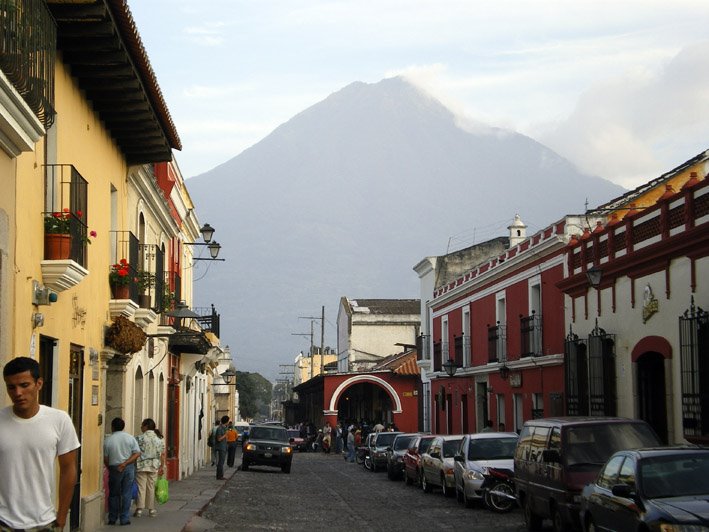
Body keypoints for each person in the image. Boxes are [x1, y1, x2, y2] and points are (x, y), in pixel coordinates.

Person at [0, 356, 80, 531]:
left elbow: (68, 469)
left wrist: (61, 518)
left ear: (39, 384)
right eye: (11, 387)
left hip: (44, 522)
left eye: (24, 385)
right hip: (3, 522)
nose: (18, 393)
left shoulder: (59, 420)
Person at [104, 417, 141, 526]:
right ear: (123, 426)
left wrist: (111, 467)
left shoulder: (108, 440)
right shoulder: (130, 438)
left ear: (112, 427)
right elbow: (137, 453)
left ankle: (112, 517)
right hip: (128, 467)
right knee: (126, 493)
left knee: (114, 494)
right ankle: (124, 518)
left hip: (114, 467)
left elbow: (106, 458)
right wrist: (125, 463)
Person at [134, 418, 165, 518]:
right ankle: (151, 509)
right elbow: (162, 454)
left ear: (146, 426)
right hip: (154, 465)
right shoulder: (159, 439)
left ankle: (139, 509)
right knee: (151, 487)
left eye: (142, 425)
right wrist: (162, 466)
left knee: (141, 487)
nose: (141, 427)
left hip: (142, 465)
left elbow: (135, 452)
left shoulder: (139, 438)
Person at [214, 415, 229, 479]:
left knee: (222, 462)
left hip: (223, 447)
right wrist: (225, 435)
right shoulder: (220, 428)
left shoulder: (224, 428)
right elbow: (219, 439)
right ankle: (219, 476)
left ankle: (221, 475)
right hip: (220, 447)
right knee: (220, 462)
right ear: (226, 421)